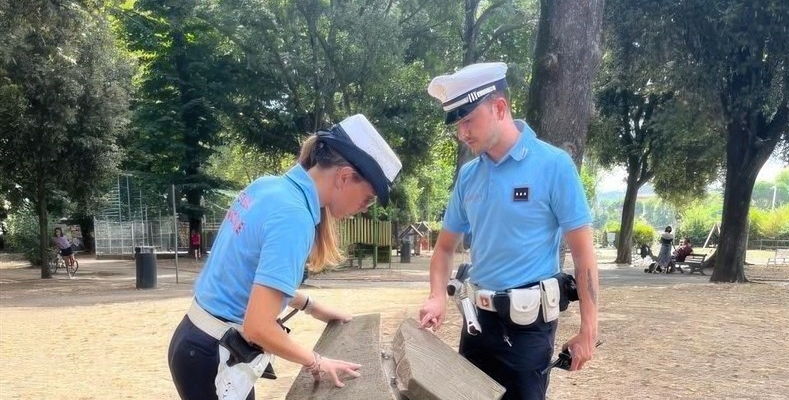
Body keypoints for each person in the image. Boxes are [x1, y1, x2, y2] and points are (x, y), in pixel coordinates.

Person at [167, 114, 402, 400]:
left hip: (198, 342)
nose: (364, 208)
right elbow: (258, 326)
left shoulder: (268, 187)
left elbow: (246, 273)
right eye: (367, 198)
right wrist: (315, 360)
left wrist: (310, 305)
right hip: (214, 354)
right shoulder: (295, 218)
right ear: (343, 177)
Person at [418, 62, 599, 400]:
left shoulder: (554, 165)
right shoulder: (468, 176)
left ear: (499, 108)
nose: (463, 133)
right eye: (458, 124)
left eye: (468, 120)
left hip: (529, 331)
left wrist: (589, 327)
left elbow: (583, 253)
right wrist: (437, 295)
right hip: (476, 326)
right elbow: (444, 249)